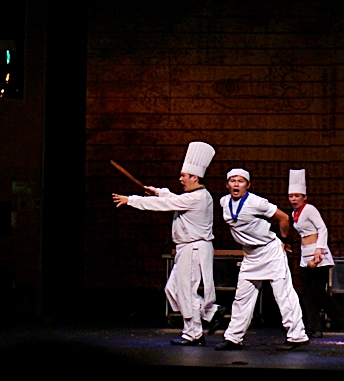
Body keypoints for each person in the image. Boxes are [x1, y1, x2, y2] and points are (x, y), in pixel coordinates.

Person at [112, 141, 225, 346]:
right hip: (187, 248)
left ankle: (194, 333)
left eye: (183, 175)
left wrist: (132, 200)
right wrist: (157, 191)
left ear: (195, 177)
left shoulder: (198, 198)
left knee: (186, 291)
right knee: (173, 289)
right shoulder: (193, 196)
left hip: (193, 248)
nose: (180, 179)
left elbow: (167, 203)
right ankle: (210, 313)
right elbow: (172, 198)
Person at [215, 168, 309, 351]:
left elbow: (283, 217)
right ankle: (233, 337)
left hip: (270, 251)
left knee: (283, 293)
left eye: (240, 181)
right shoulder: (224, 202)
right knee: (242, 297)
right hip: (250, 255)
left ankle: (297, 336)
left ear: (248, 185)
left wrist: (284, 239)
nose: (236, 184)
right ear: (227, 185)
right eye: (232, 181)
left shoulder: (257, 202)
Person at [288, 169, 344, 340]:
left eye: (297, 196)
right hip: (305, 255)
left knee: (318, 292)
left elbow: (322, 228)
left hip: (317, 253)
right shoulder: (294, 213)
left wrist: (319, 248)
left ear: (304, 197)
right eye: (291, 196)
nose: (294, 199)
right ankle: (314, 327)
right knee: (306, 293)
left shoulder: (309, 209)